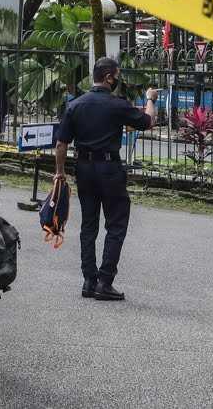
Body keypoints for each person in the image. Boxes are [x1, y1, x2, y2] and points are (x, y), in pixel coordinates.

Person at [53, 57, 156, 301]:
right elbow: (148, 121)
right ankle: (105, 281)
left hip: (84, 168)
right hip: (109, 169)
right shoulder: (117, 105)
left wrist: (60, 171)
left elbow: (61, 143)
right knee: (116, 224)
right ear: (109, 77)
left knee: (89, 225)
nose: (118, 79)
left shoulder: (76, 105)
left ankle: (89, 280)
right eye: (116, 75)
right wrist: (150, 99)